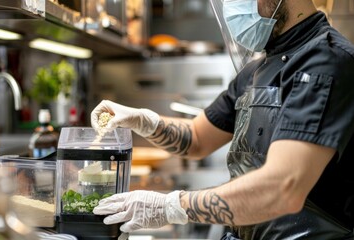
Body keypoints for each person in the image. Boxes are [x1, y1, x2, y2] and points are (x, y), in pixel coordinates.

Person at [90, 0, 354, 239]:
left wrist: (171, 207)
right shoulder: (257, 69)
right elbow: (196, 139)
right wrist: (143, 121)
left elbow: (282, 188)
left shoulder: (325, 62)